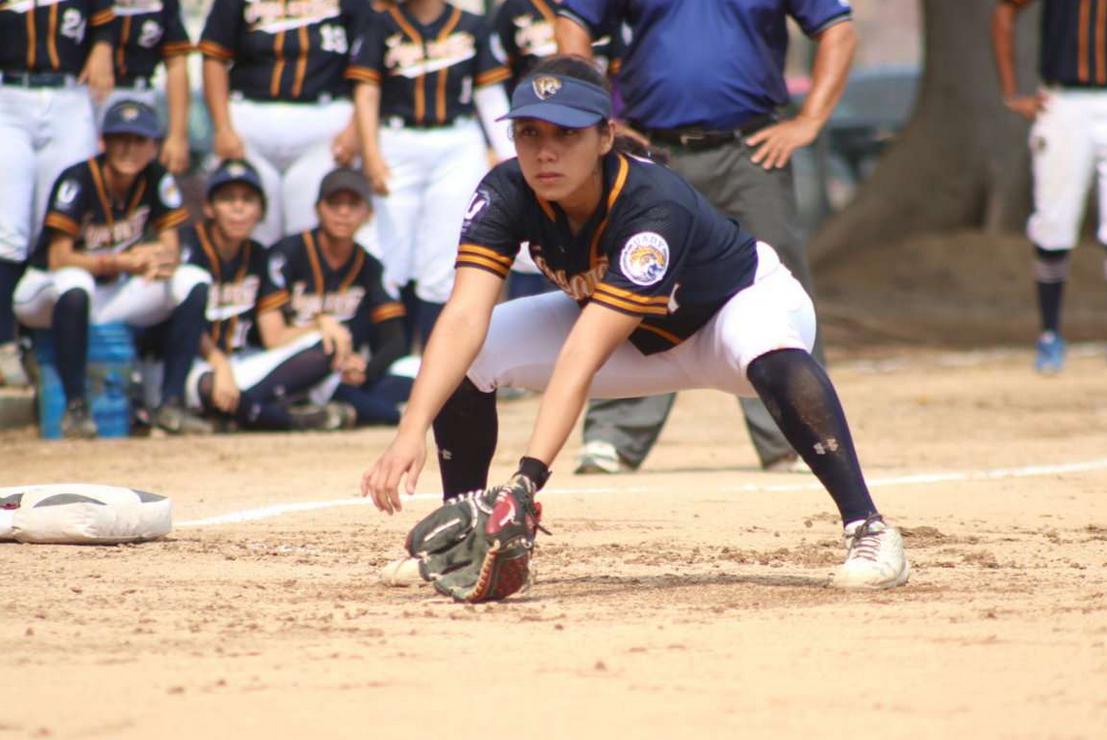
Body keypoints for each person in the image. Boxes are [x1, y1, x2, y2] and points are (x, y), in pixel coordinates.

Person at [361, 57, 910, 592]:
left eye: (567, 134)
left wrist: (528, 481)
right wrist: (410, 430)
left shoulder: (651, 204)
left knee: (771, 351)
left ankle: (869, 529)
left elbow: (581, 355)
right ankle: (465, 531)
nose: (545, 152)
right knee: (471, 355)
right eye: (528, 133)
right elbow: (462, 317)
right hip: (627, 334)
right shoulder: (504, 191)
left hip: (728, 315)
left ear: (605, 137)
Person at [556, 0, 856, 475]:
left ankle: (795, 434)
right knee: (637, 278)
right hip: (652, 151)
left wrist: (811, 120)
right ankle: (613, 437)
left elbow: (837, 29)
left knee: (777, 287)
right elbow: (573, 21)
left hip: (754, 151)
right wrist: (594, 113)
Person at [11, 101, 210, 437]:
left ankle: (171, 404)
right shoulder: (78, 178)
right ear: (103, 141)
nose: (128, 149)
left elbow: (171, 249)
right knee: (76, 282)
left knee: (193, 280)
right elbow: (59, 257)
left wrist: (154, 258)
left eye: (139, 140)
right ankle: (75, 407)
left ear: (153, 146)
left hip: (110, 292)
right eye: (120, 138)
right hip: (45, 292)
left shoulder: (156, 177)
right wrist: (119, 261)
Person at [347, 0, 515, 349]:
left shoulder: (471, 23)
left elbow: (489, 94)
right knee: (393, 254)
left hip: (456, 141)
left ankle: (435, 358)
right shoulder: (382, 24)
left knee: (443, 254)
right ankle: (396, 356)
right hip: (396, 140)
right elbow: (366, 91)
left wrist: (507, 154)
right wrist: (371, 154)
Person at [180, 159, 352, 431]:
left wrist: (320, 323)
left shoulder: (260, 257)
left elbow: (274, 338)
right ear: (209, 207)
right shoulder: (188, 245)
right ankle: (294, 420)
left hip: (241, 365)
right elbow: (181, 324)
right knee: (210, 386)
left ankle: (237, 412)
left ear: (260, 211)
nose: (238, 207)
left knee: (325, 345)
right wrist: (219, 364)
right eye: (227, 199)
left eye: (248, 200)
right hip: (191, 365)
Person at [0, 0, 116, 387]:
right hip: (8, 93)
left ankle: (40, 343)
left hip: (69, 93)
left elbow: (104, 19)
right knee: (7, 226)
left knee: (58, 219)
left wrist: (102, 46)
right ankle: (5, 344)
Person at [992, 0, 1107, 374]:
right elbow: (1006, 10)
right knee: (1054, 221)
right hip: (1064, 100)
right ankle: (1050, 333)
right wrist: (1012, 93)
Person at [198, 0, 372, 245]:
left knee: (310, 233)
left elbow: (368, 63)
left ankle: (306, 282)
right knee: (253, 232)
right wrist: (222, 127)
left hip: (322, 121)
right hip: (250, 117)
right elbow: (214, 57)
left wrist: (355, 129)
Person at [257, 167, 412, 426]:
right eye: (334, 203)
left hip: (344, 371)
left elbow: (395, 340)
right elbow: (272, 338)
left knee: (421, 373)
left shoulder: (369, 265)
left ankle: (329, 410)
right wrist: (319, 325)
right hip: (288, 364)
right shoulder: (288, 253)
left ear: (368, 214)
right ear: (318, 208)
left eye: (353, 205)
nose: (343, 212)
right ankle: (365, 412)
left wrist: (365, 369)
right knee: (325, 345)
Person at [491, 0, 623, 301]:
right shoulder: (514, 10)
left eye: (565, 134)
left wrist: (617, 121)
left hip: (591, 124)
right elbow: (496, 81)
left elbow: (621, 73)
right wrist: (497, 143)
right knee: (530, 265)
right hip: (532, 116)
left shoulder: (603, 9)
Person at [102, 0, 192, 175]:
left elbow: (177, 63)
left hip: (140, 91)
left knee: (140, 175)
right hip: (92, 90)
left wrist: (177, 135)